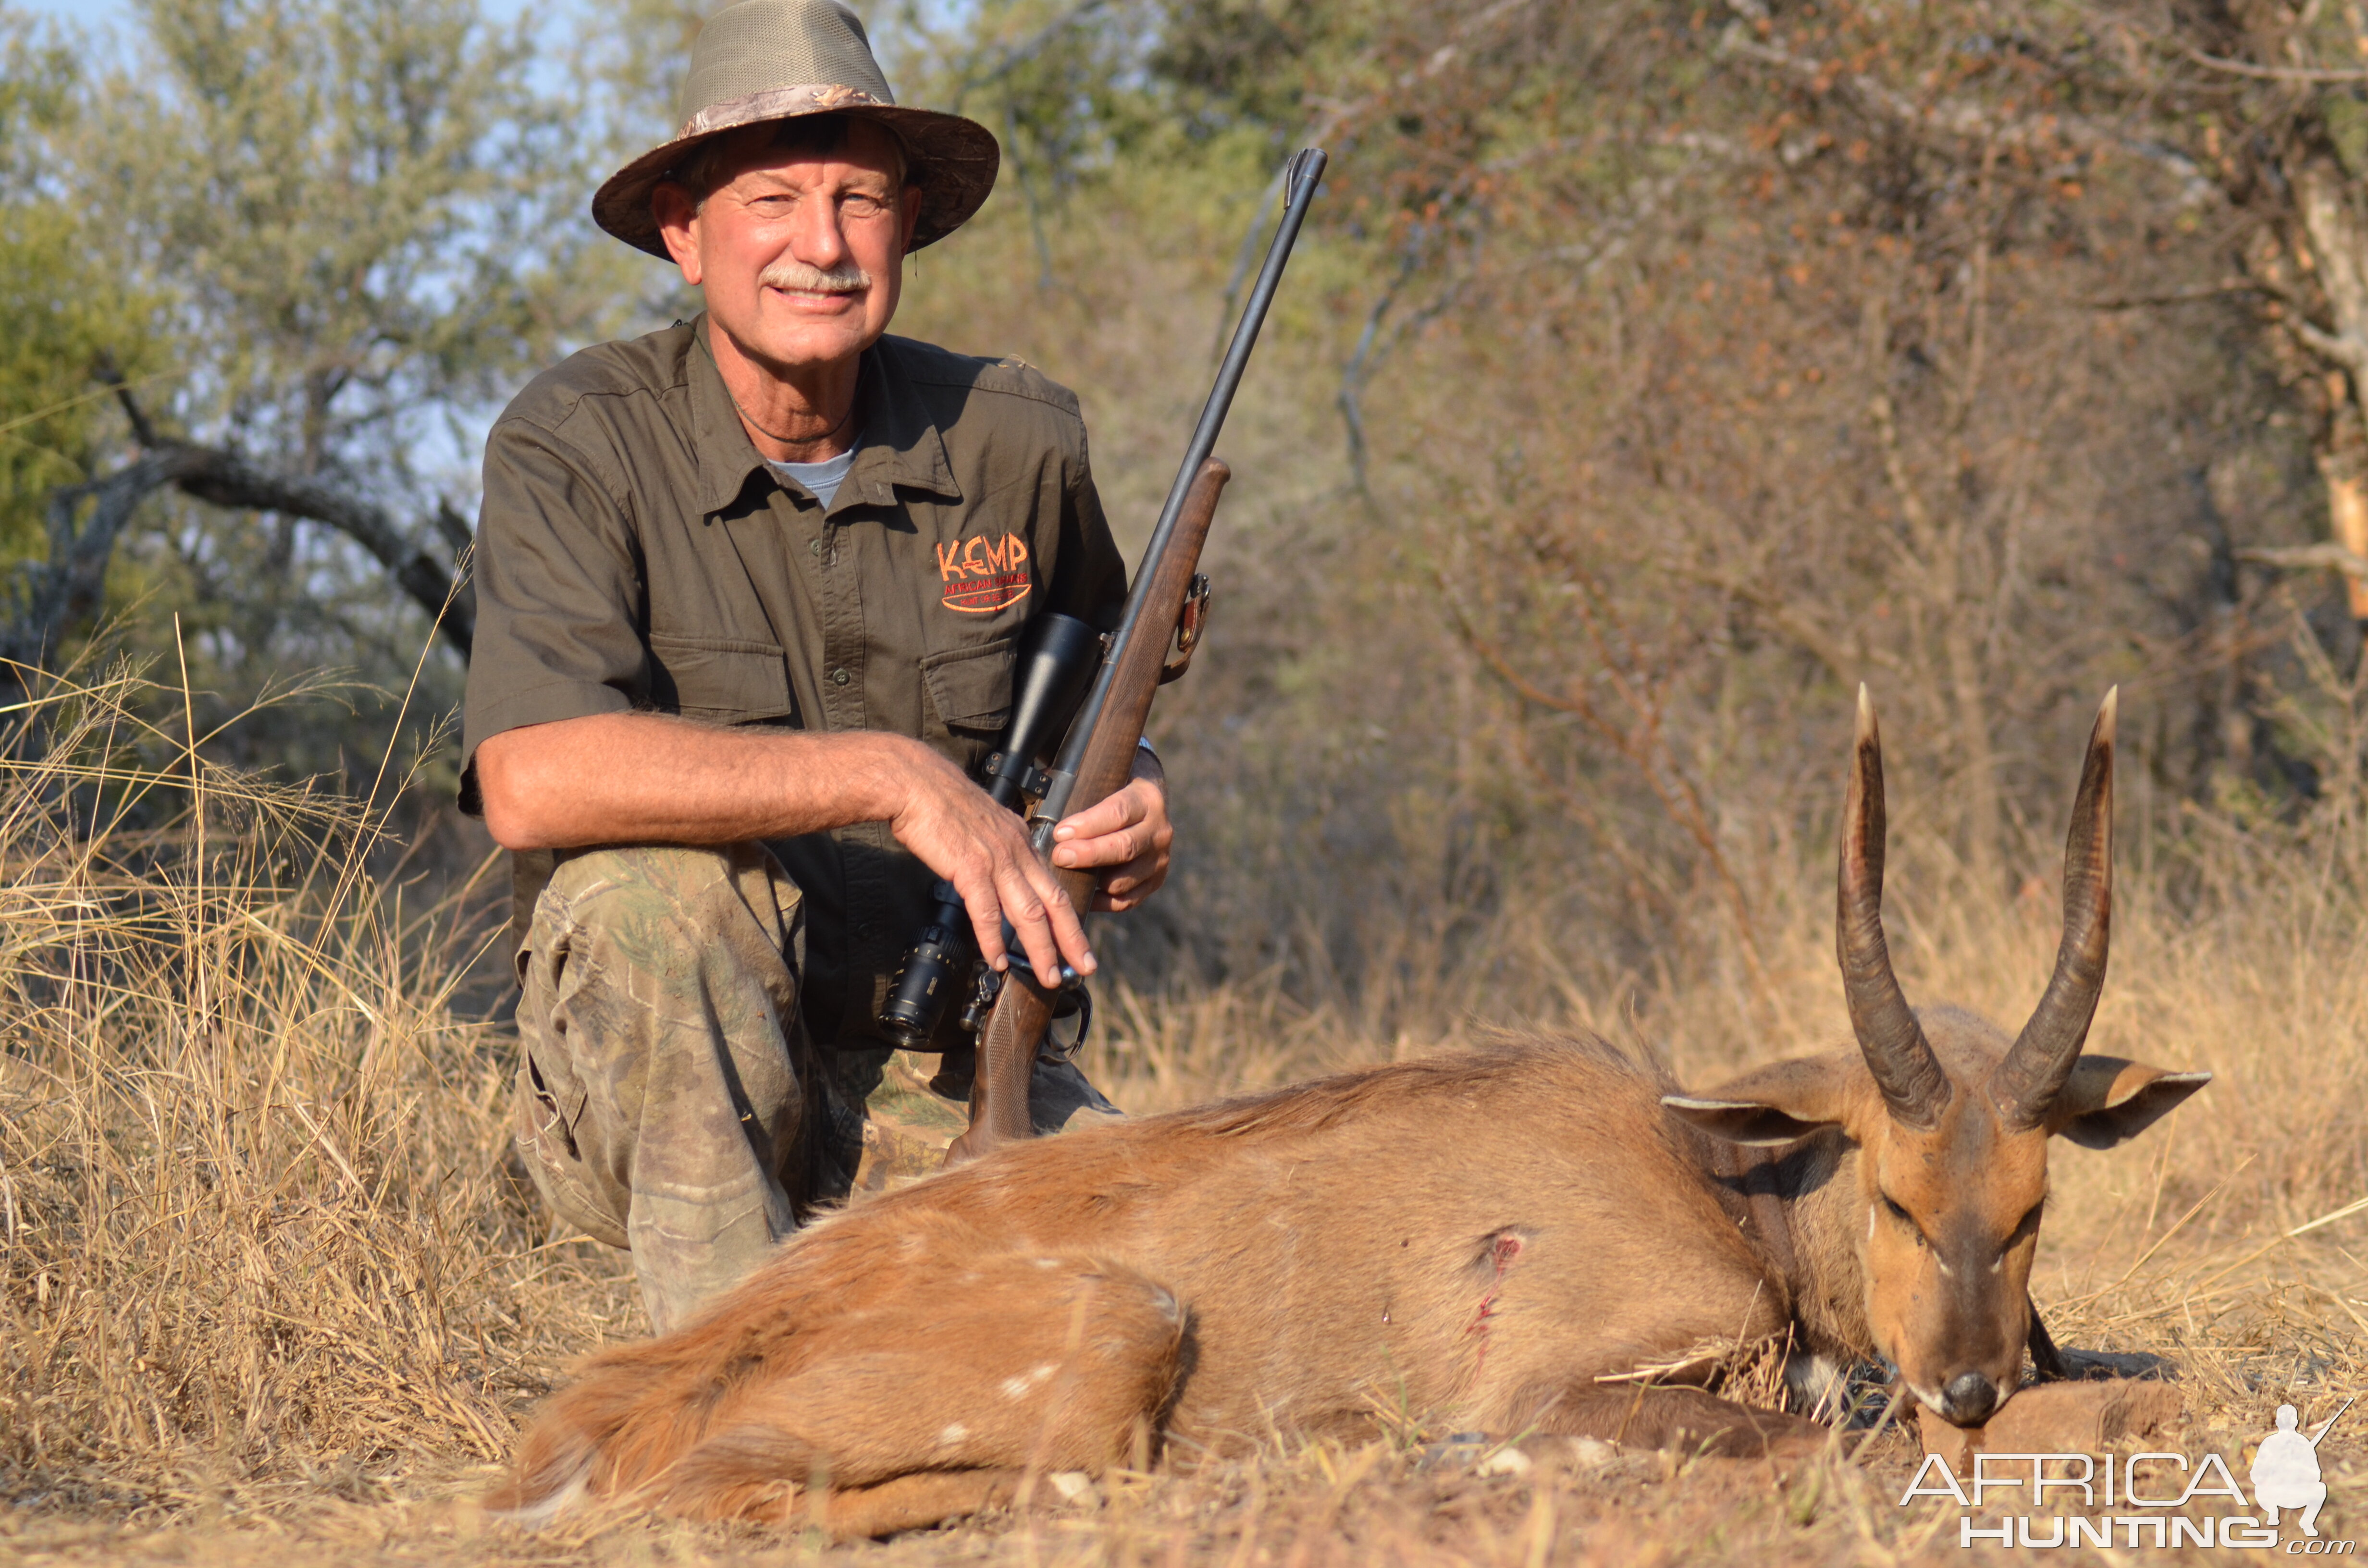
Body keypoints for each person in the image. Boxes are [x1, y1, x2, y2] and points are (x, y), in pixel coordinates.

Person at [459, 0, 1171, 1332]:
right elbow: (531, 780)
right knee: (656, 898)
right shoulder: (574, 439)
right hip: (661, 1096)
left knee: (1180, 1285)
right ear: (683, 232)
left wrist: (1131, 805)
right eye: (772, 198)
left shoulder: (1021, 437)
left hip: (946, 1072)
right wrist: (893, 777)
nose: (822, 246)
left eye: (860, 198)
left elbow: (1099, 721)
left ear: (908, 223)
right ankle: (730, 1383)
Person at [2252, 1403, 2335, 1536]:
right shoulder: (2270, 1443)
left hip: (2295, 1492)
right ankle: (2273, 1514)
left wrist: (2299, 1473)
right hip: (2273, 1492)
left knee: (2321, 1488)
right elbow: (2256, 1474)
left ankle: (2307, 1522)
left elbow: (2316, 1475)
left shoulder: (2303, 1443)